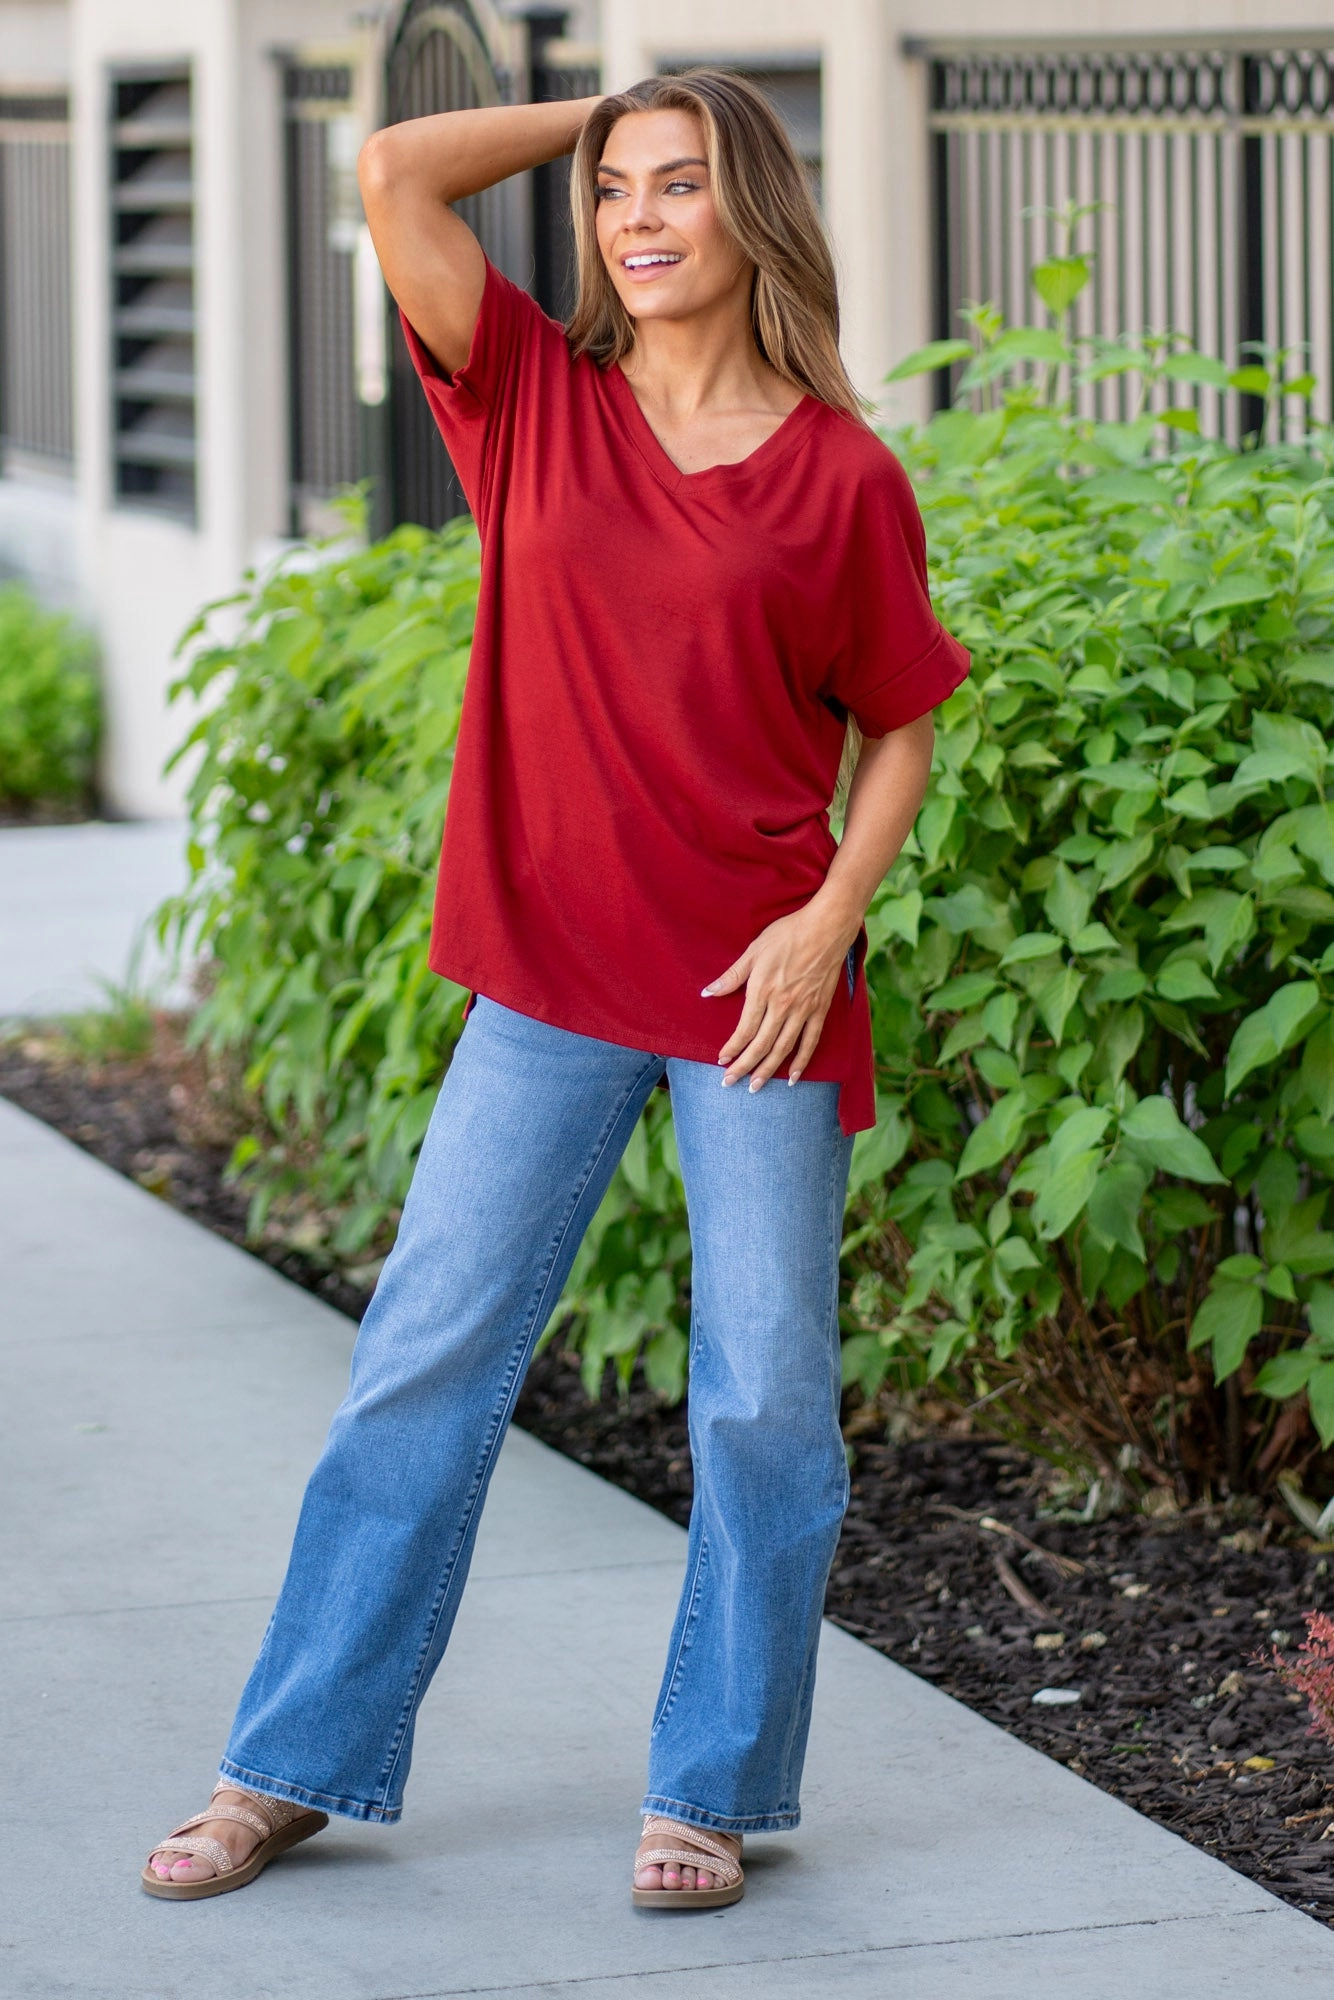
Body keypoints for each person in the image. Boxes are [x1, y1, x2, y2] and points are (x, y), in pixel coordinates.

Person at [141, 68, 968, 1910]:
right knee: (422, 1362)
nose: (640, 217)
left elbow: (899, 724)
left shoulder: (841, 473)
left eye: (681, 183)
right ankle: (287, 1764)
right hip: (548, 981)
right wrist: (611, 95)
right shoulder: (531, 396)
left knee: (761, 1397)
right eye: (614, 191)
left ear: (751, 205)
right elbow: (392, 169)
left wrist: (829, 914)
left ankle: (715, 1785)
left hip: (751, 985)